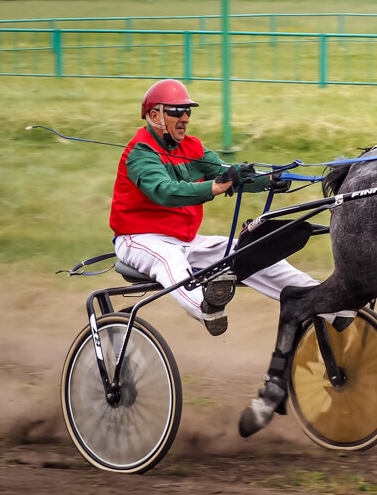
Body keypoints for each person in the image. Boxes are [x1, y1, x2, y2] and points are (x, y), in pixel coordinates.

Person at [110, 78, 349, 435]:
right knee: (169, 265)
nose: (184, 118)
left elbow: (226, 172)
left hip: (185, 239)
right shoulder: (140, 154)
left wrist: (269, 179)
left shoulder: (191, 146)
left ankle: (324, 297)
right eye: (177, 111)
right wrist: (217, 186)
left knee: (248, 253)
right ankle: (207, 307)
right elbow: (165, 192)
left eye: (187, 111)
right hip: (139, 238)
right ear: (154, 115)